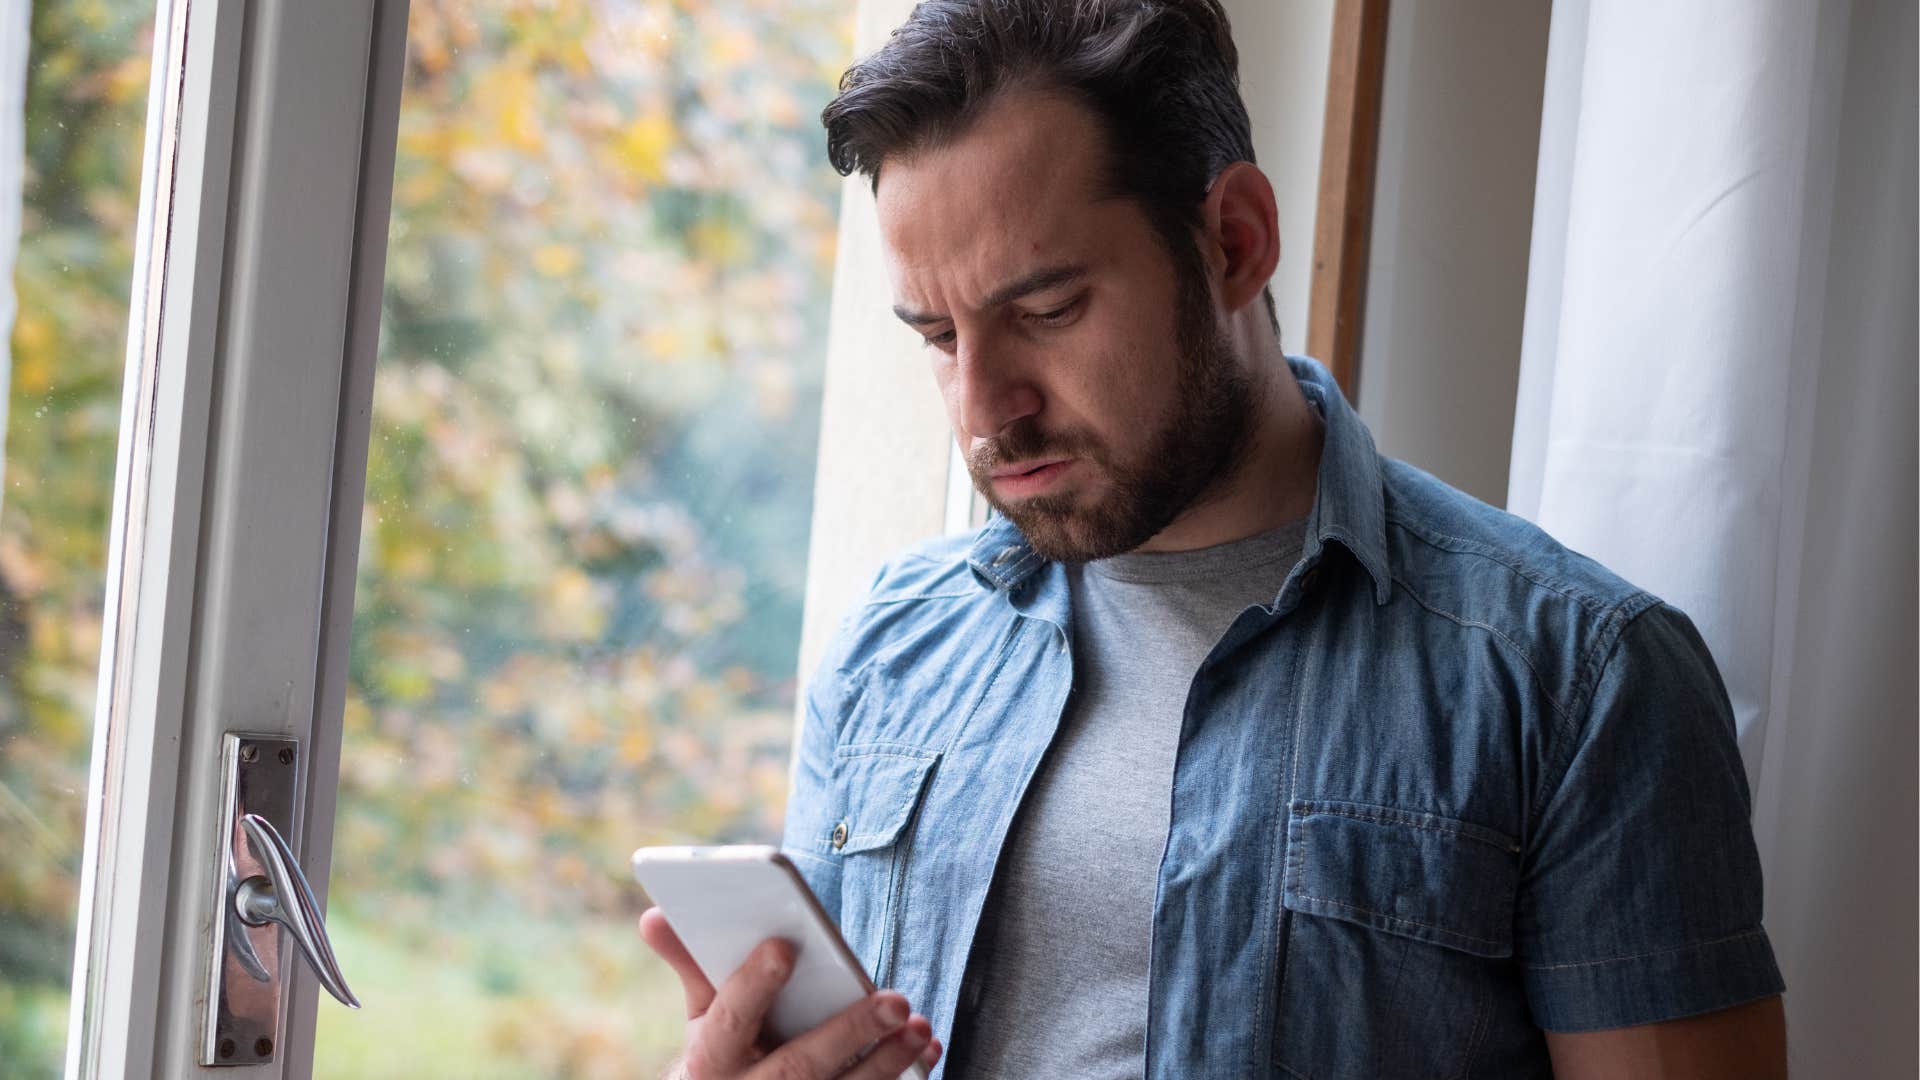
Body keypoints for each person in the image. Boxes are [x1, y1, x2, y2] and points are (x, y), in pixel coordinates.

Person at [639, 1, 1789, 1076]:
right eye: (940, 335)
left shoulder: (1579, 682)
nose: (985, 410)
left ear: (1235, 241)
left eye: (1044, 312)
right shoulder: (893, 645)